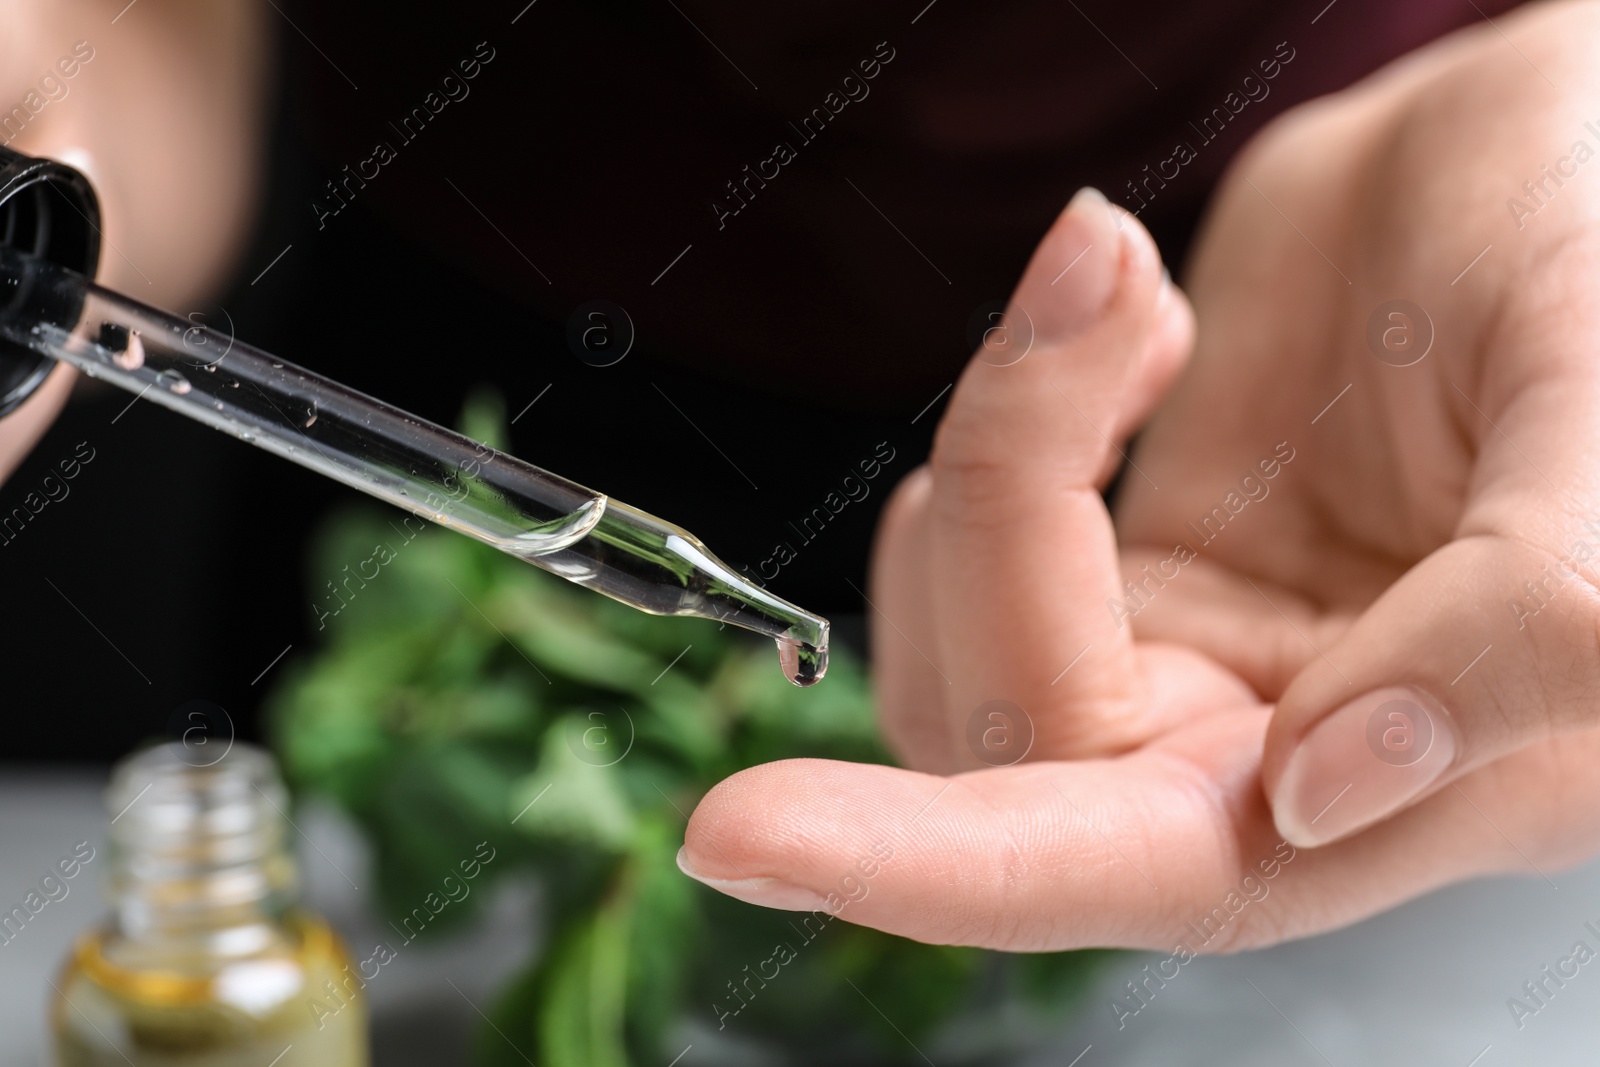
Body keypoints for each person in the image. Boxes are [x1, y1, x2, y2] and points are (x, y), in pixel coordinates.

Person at [6, 0, 1599, 955]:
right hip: (492, 332)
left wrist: (1560, 115)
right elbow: (142, 38)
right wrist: (50, 115)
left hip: (1346, 359)